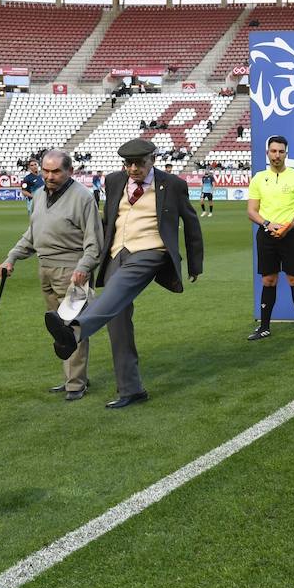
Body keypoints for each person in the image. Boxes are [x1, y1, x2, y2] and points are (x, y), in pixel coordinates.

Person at [43, 138, 204, 409]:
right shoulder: (115, 180)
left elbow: (190, 222)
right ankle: (132, 389)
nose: (133, 169)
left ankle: (74, 332)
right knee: (116, 317)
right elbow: (108, 220)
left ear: (152, 159)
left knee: (117, 289)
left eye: (139, 163)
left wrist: (195, 264)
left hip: (152, 250)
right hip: (118, 252)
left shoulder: (173, 184)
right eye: (128, 163)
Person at [0, 149, 102, 401]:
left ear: (70, 171)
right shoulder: (37, 195)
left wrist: (84, 267)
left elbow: (95, 242)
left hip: (72, 271)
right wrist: (12, 256)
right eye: (46, 170)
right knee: (58, 330)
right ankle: (71, 378)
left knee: (71, 328)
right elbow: (32, 235)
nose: (49, 175)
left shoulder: (83, 198)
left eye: (56, 171)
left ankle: (76, 383)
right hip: (45, 268)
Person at [246, 135, 294, 340]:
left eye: (280, 151)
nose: (277, 155)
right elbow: (252, 211)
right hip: (266, 234)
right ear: (267, 153)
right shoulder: (258, 178)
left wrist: (287, 226)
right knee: (268, 280)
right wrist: (267, 224)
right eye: (273, 151)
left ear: (286, 153)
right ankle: (264, 327)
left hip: (291, 234)